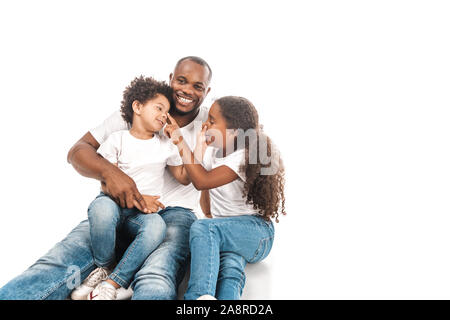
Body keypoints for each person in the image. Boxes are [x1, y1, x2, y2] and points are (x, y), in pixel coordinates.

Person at [0, 56, 247, 300]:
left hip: (174, 214)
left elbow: (248, 145)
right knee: (59, 262)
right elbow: (78, 150)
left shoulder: (213, 123)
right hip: (120, 206)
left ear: (207, 91)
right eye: (181, 81)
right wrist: (111, 173)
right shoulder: (137, 112)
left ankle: (117, 281)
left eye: (198, 86)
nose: (187, 90)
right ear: (170, 79)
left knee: (157, 276)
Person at [71, 76, 191, 300]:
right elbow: (107, 183)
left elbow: (184, 177)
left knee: (157, 226)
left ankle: (114, 281)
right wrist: (140, 197)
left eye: (167, 112)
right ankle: (104, 266)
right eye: (159, 108)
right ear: (137, 107)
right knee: (101, 210)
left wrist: (179, 140)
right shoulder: (117, 139)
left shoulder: (165, 146)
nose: (164, 115)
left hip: (143, 215)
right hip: (113, 204)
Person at [164, 96, 286, 300]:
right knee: (229, 266)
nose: (206, 124)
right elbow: (206, 200)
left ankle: (197, 298)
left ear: (234, 133)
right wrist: (201, 147)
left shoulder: (244, 156)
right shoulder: (214, 153)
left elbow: (201, 181)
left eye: (212, 121)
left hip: (257, 233)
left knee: (202, 227)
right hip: (228, 231)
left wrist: (179, 140)